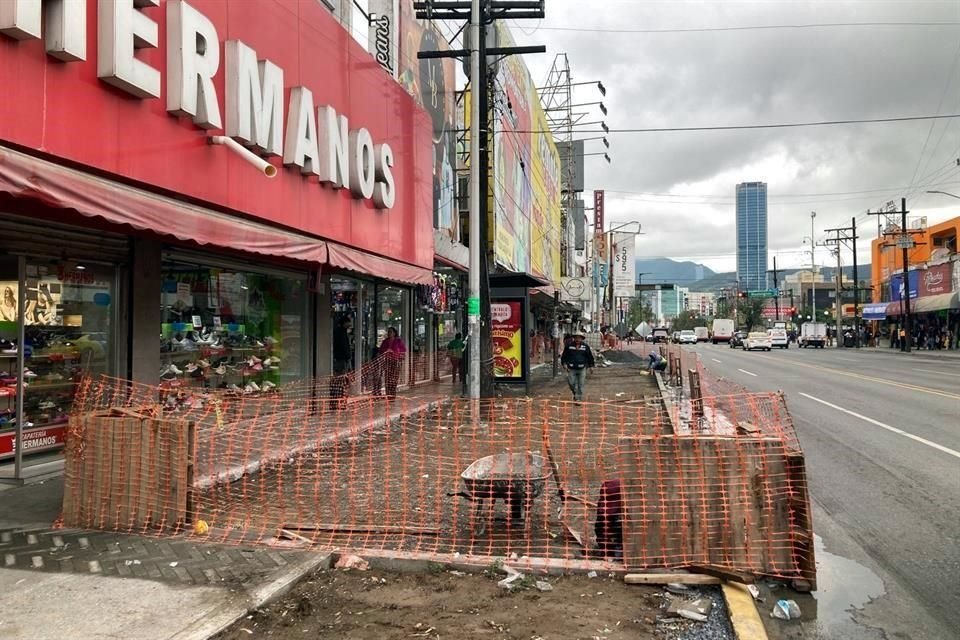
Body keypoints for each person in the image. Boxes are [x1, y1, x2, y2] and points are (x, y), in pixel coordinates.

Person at [560, 332, 594, 401]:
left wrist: (591, 366)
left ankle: (579, 398)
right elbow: (564, 356)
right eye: (576, 337)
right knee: (571, 383)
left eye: (579, 338)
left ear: (582, 338)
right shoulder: (569, 346)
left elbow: (590, 357)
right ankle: (575, 393)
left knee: (581, 385)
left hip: (582, 368)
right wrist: (564, 364)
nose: (577, 339)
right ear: (574, 338)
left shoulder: (585, 347)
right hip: (571, 368)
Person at [330, 316, 353, 407]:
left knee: (342, 380)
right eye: (348, 322)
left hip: (343, 359)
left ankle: (340, 400)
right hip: (341, 359)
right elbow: (342, 346)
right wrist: (347, 357)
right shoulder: (340, 332)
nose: (350, 324)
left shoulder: (343, 332)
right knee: (340, 380)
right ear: (344, 323)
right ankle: (337, 401)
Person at [379, 327, 406, 399]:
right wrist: (386, 350)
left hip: (395, 360)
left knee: (394, 377)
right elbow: (381, 350)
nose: (389, 333)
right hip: (387, 360)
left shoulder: (398, 341)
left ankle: (393, 393)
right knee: (387, 377)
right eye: (388, 332)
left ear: (394, 333)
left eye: (391, 332)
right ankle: (388, 394)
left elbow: (403, 349)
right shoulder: (385, 341)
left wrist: (398, 354)